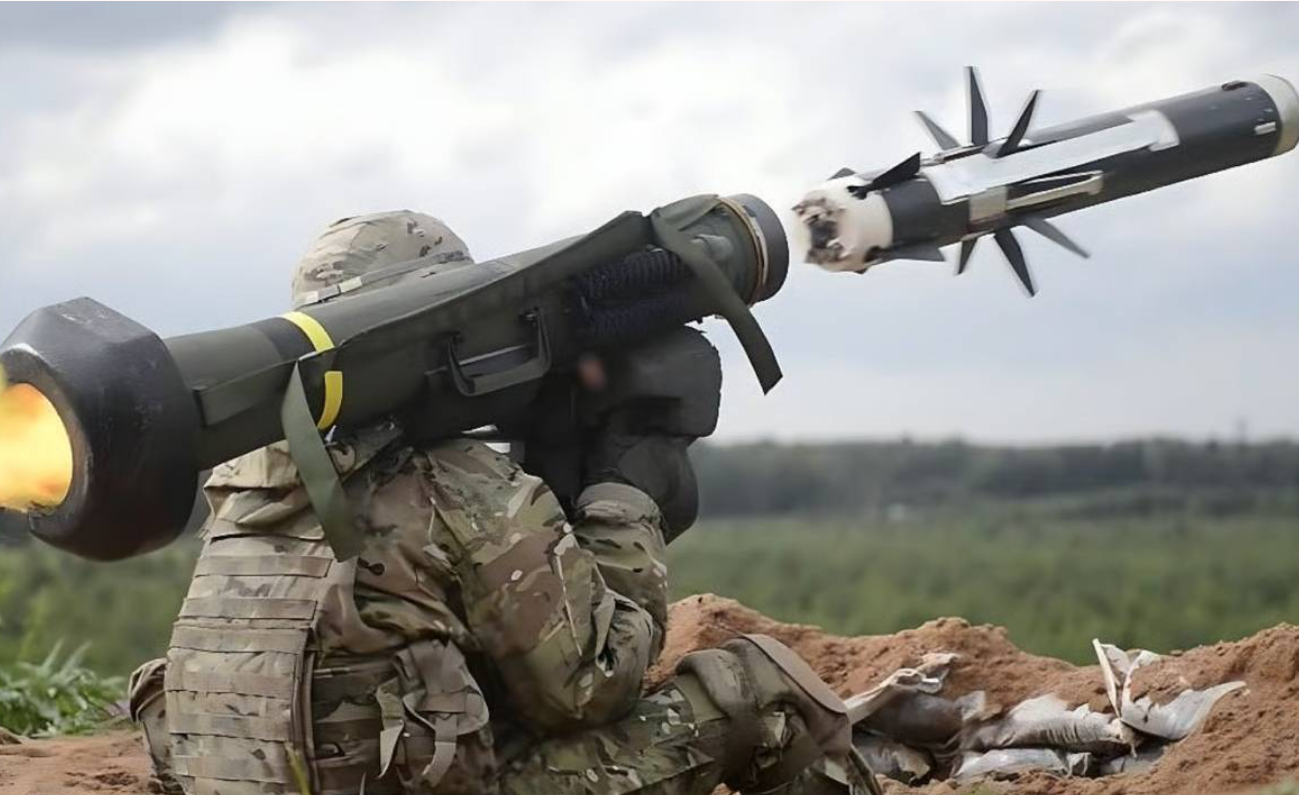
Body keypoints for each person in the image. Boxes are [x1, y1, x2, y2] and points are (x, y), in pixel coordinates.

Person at [128, 211, 880, 795]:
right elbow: (594, 686)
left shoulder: (245, 476)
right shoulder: (453, 483)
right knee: (759, 689)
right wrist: (625, 498)